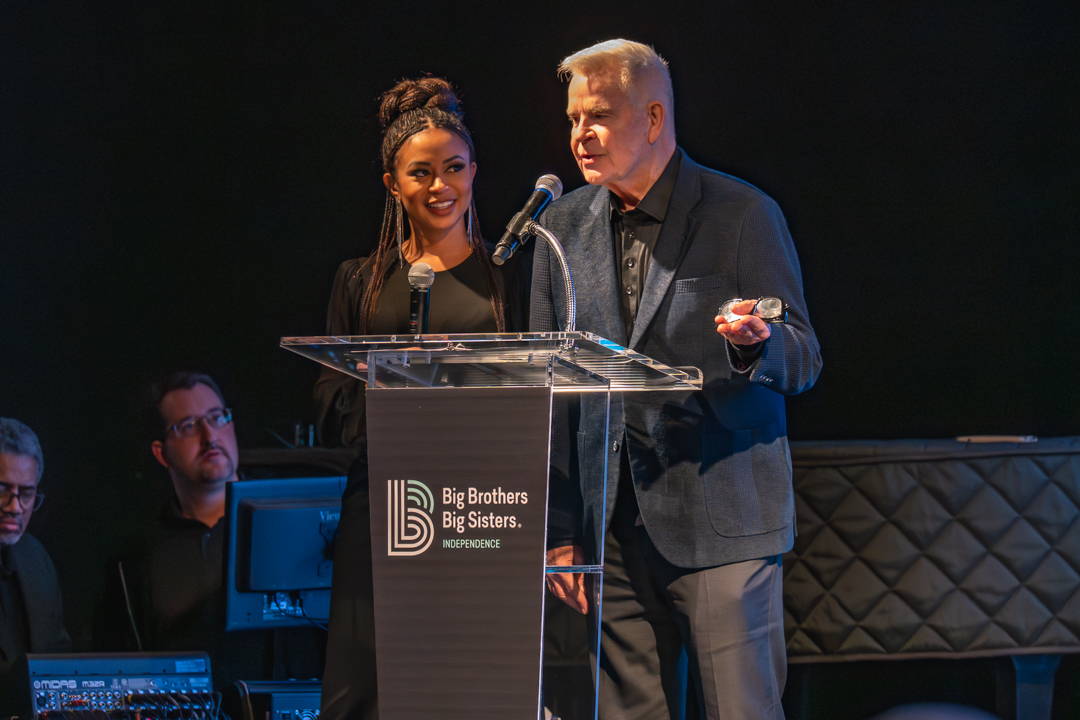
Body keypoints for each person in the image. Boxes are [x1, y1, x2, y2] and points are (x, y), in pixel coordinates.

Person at [533, 40, 822, 720]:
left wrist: (756, 346)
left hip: (723, 521)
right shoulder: (559, 227)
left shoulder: (741, 214)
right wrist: (561, 525)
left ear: (654, 118)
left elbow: (804, 356)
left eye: (599, 115)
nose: (581, 134)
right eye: (573, 119)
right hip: (611, 531)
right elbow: (552, 393)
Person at [316, 76, 525, 720]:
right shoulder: (359, 282)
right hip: (383, 507)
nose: (441, 186)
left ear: (474, 172)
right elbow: (329, 407)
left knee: (464, 687)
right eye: (421, 172)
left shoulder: (510, 279)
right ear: (392, 184)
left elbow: (537, 401)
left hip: (480, 510)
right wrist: (399, 385)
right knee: (365, 691)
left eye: (455, 168)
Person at [94, 372, 323, 689]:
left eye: (217, 417)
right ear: (161, 453)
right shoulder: (134, 562)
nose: (209, 435)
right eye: (188, 426)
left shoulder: (292, 524)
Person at [0, 418, 71, 667]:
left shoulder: (34, 556)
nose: (15, 507)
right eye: (2, 490)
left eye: (26, 494)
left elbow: (58, 660)